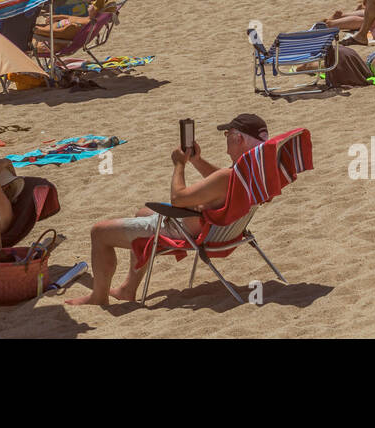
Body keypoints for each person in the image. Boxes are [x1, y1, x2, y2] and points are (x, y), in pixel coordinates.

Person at [67, 113, 270, 306]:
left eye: (228, 135)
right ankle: (128, 288)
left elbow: (178, 199)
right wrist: (197, 161)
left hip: (189, 230)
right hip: (223, 231)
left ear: (239, 139)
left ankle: (98, 296)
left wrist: (179, 165)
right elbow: (222, 182)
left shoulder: (228, 177)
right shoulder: (255, 172)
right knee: (142, 214)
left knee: (99, 232)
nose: (226, 140)